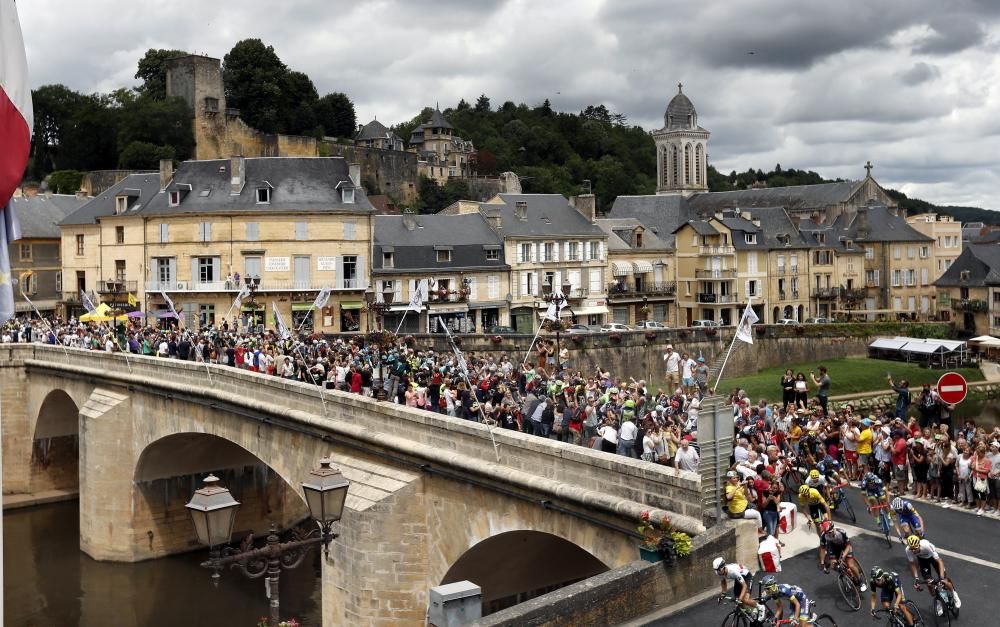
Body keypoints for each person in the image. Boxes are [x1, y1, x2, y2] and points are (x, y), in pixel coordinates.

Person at [905, 535, 960, 608]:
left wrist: (941, 577)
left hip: (932, 558)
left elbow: (940, 561)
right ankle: (939, 600)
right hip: (923, 560)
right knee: (929, 584)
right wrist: (916, 578)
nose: (913, 551)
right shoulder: (908, 550)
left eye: (915, 548)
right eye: (912, 549)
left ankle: (954, 594)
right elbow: (912, 565)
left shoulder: (926, 546)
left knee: (944, 581)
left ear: (919, 545)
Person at [818, 521, 865, 591]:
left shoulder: (841, 532)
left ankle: (861, 581)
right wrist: (822, 562)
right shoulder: (824, 536)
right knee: (833, 565)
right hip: (833, 548)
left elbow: (848, 546)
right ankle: (846, 578)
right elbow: (822, 549)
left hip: (845, 547)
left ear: (833, 529)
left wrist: (843, 556)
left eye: (830, 532)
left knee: (850, 565)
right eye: (827, 533)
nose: (829, 534)